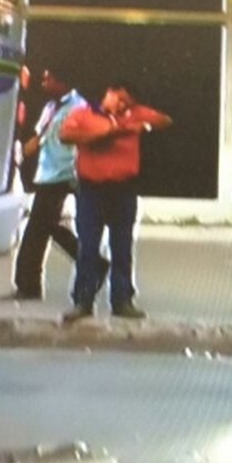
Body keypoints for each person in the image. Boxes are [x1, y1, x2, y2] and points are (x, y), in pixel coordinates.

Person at [58, 81, 173, 323]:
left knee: (122, 247)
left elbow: (164, 120)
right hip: (91, 191)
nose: (121, 105)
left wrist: (140, 123)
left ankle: (122, 301)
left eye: (126, 102)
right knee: (88, 247)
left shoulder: (133, 114)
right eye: (119, 99)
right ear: (107, 92)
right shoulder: (83, 114)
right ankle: (83, 301)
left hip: (123, 190)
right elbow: (65, 135)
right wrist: (105, 133)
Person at [0, 69, 89, 301]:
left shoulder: (79, 106)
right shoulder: (51, 107)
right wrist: (20, 157)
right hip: (46, 173)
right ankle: (90, 263)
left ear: (62, 82)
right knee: (43, 227)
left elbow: (82, 140)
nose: (44, 81)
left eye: (49, 78)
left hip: (64, 173)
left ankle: (28, 286)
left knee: (36, 229)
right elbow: (40, 137)